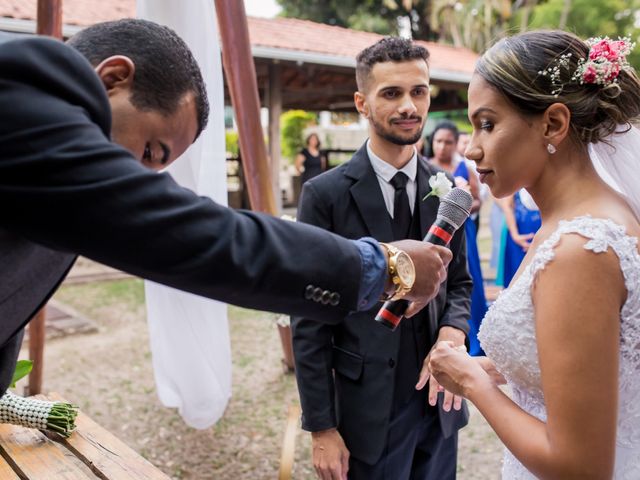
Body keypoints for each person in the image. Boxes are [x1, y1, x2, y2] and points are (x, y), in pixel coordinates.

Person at [0, 20, 455, 397]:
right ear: (114, 78)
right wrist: (385, 265)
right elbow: (197, 234)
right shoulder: (25, 104)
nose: (140, 179)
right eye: (150, 152)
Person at [428, 30, 640, 478]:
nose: (471, 147)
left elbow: (580, 467)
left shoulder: (580, 250)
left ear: (553, 124)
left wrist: (474, 382)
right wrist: (481, 364)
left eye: (487, 124)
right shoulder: (578, 221)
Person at [292, 37, 472, 480]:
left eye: (419, 91)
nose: (409, 106)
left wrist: (452, 333)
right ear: (362, 102)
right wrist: (321, 427)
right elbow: (309, 317)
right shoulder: (325, 195)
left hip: (438, 407)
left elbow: (462, 283)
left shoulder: (449, 190)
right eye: (391, 93)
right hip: (365, 410)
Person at [428, 121, 487, 355]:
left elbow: (478, 200)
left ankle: (474, 335)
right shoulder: (427, 168)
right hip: (434, 231)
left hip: (462, 230)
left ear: (455, 144)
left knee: (466, 275)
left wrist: (458, 207)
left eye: (448, 142)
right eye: (438, 141)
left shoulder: (464, 167)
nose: (443, 146)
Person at [494, 189, 541, 287]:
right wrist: (515, 235)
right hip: (518, 236)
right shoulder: (516, 184)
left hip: (542, 236)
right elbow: (507, 206)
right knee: (517, 276)